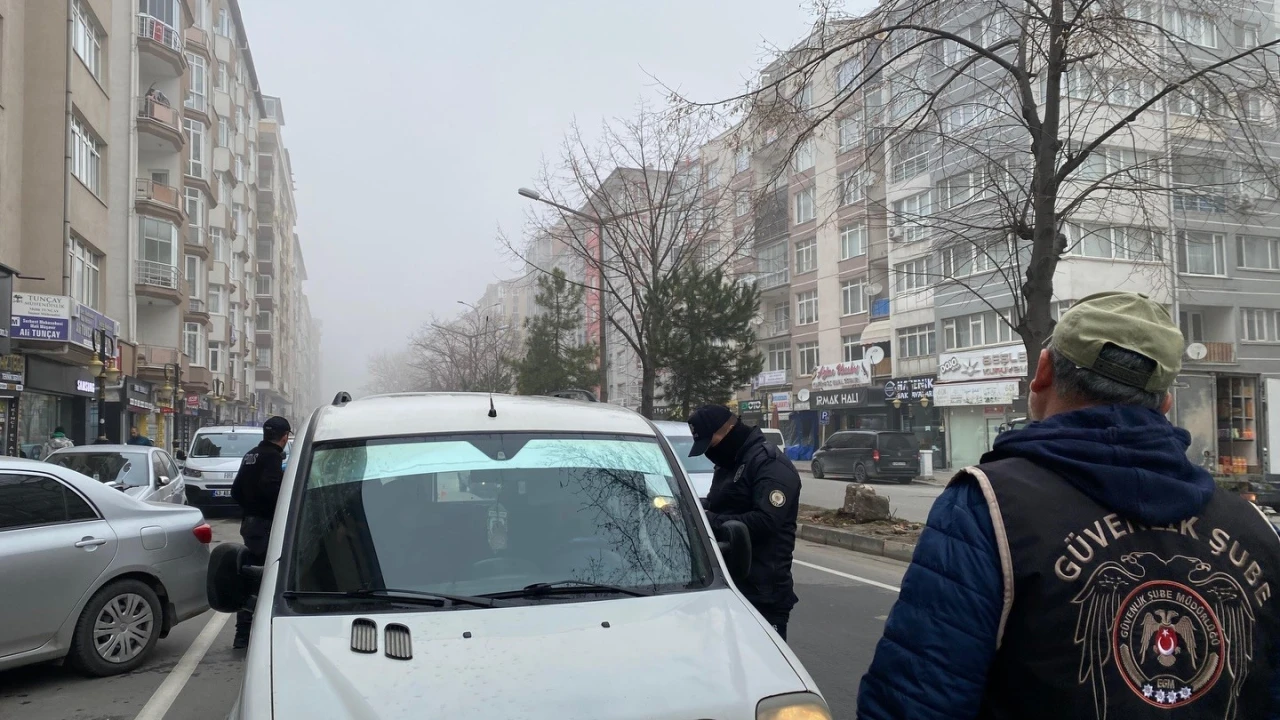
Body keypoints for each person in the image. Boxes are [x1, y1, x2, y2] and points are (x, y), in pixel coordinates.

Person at [857, 292, 1280, 719]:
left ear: (1043, 372)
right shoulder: (1255, 528)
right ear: (1165, 402)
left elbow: (915, 701)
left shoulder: (987, 505)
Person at [687, 404, 801, 640]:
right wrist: (689, 507)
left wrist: (708, 520)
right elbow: (720, 503)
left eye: (711, 443)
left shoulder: (769, 464)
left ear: (729, 429)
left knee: (762, 661)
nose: (709, 451)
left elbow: (765, 521)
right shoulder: (730, 462)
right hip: (729, 584)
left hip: (762, 593)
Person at [229, 415, 291, 649]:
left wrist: (250, 508)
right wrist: (278, 510)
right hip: (266, 525)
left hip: (250, 524)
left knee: (252, 574)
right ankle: (247, 634)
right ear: (285, 437)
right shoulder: (272, 458)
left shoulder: (251, 455)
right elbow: (271, 489)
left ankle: (243, 633)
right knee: (264, 577)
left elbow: (236, 490)